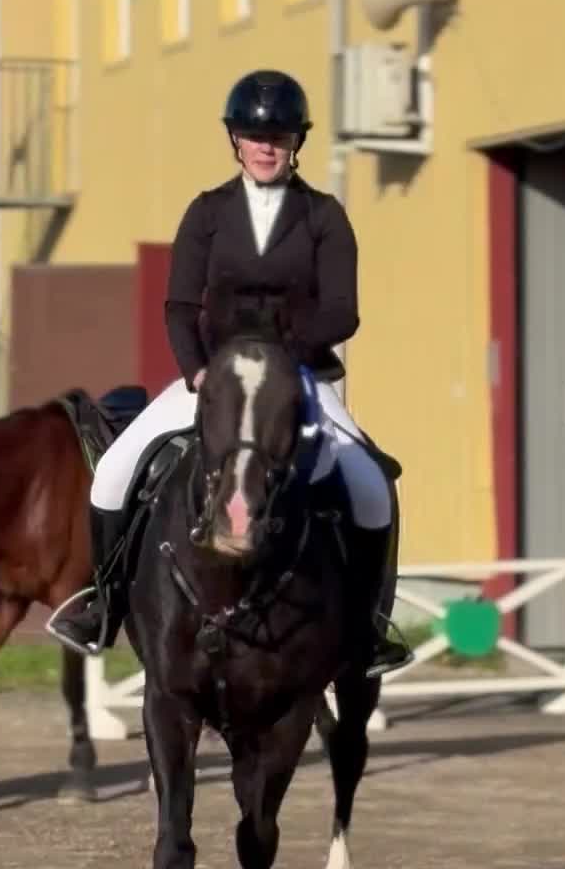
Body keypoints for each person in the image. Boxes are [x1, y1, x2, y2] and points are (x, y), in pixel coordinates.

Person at [49, 69, 411, 676]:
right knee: (112, 472)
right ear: (236, 141)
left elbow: (342, 311)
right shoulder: (208, 213)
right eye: (253, 135)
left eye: (279, 136)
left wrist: (283, 359)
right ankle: (104, 604)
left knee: (372, 487)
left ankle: (366, 627)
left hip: (300, 380)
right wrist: (196, 371)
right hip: (211, 379)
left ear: (297, 142)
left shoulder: (324, 217)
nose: (266, 146)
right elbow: (180, 306)